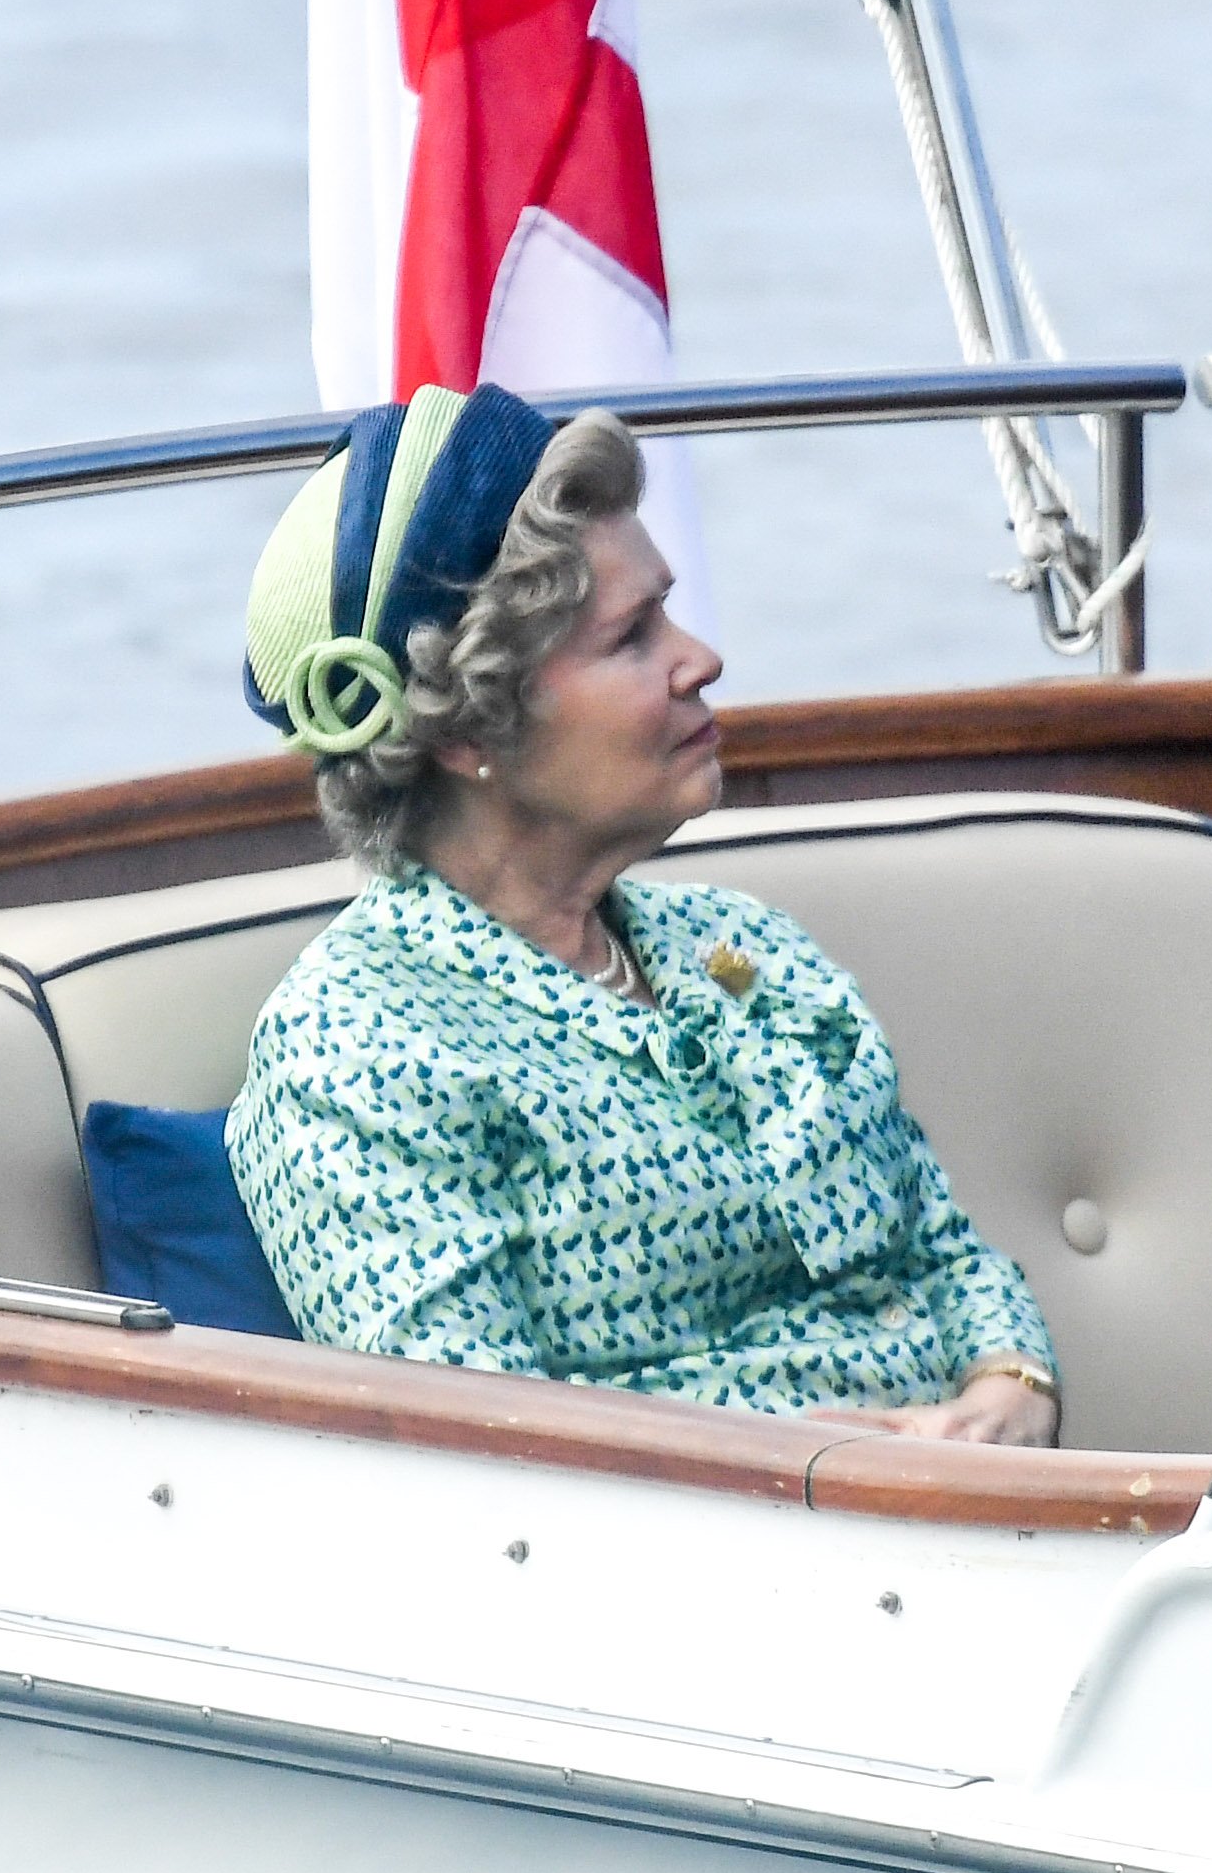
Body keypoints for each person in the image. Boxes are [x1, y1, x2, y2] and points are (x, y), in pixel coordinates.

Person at [221, 383, 1062, 1440]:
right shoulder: (354, 1050)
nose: (700, 660)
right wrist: (815, 1461)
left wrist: (1009, 1392)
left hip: (1005, 1521)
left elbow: (942, 1249)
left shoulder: (737, 948)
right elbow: (484, 1452)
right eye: (632, 636)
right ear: (465, 729)